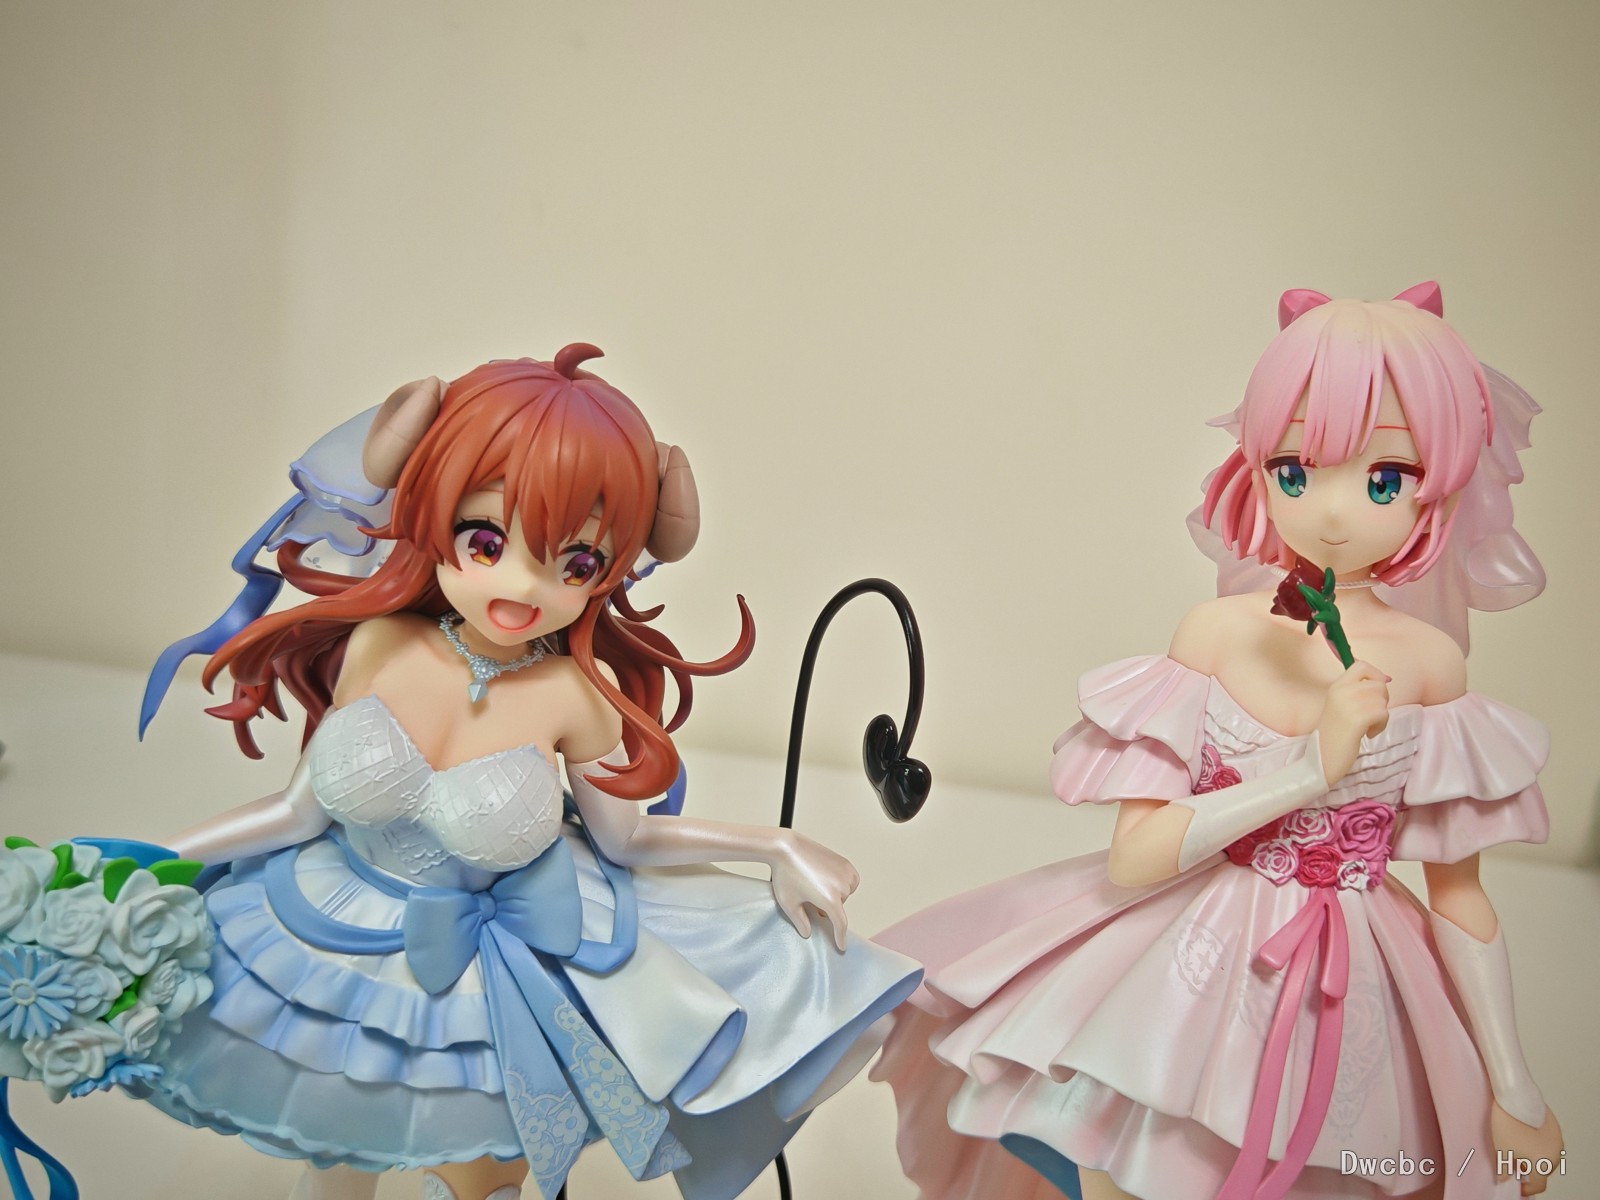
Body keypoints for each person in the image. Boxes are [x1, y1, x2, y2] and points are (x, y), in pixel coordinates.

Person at [136, 345, 921, 1200]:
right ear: (432, 513)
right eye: (486, 540)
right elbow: (298, 813)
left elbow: (627, 840)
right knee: (331, 1154)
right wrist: (145, 863)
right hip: (332, 930)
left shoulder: (575, 694)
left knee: (479, 1179)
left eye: (576, 565)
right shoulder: (379, 643)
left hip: (495, 974)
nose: (522, 586)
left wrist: (774, 846)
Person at [871, 285, 1562, 1200]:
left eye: (1384, 479)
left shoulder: (1432, 665)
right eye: (1294, 470)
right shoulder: (1218, 635)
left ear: (1439, 485)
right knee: (1138, 1158)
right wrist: (1309, 772)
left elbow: (1460, 897)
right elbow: (1137, 856)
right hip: (1190, 968)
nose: (1332, 512)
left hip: (1360, 981)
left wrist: (1514, 1087)